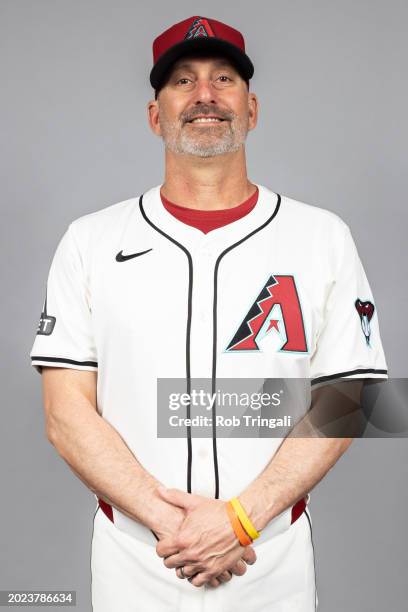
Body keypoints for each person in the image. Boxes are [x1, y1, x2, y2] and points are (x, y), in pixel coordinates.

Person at [29, 15, 388, 612]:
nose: (205, 96)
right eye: (182, 81)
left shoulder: (322, 235)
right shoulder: (89, 241)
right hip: (137, 555)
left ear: (251, 109)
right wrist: (175, 525)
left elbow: (352, 397)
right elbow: (65, 413)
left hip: (268, 552)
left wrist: (241, 521)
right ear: (155, 115)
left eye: (224, 79)